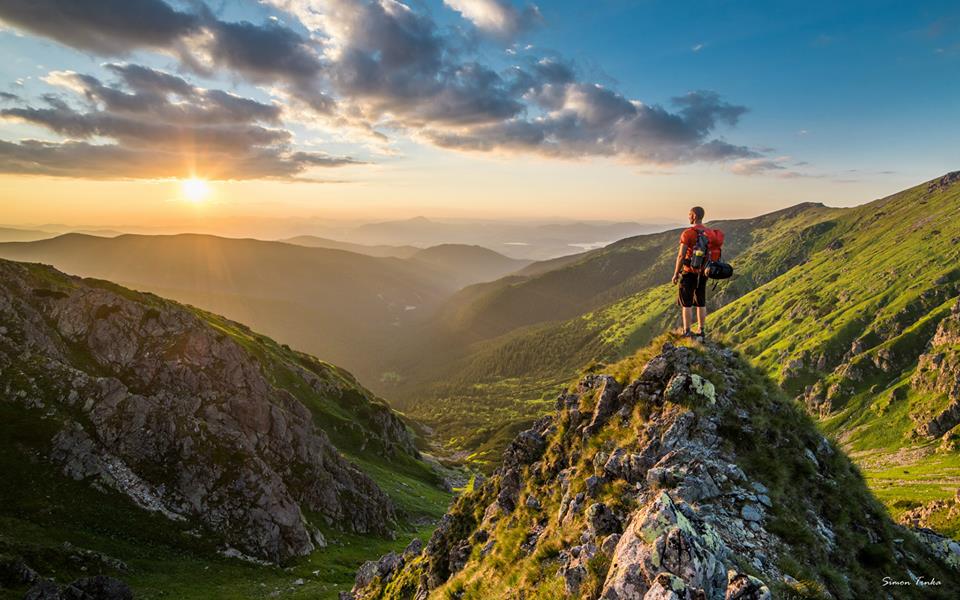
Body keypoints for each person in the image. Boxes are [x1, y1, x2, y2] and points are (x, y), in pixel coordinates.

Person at [671, 206, 712, 339]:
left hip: (689, 272)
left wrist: (676, 273)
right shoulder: (709, 233)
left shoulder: (688, 233)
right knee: (701, 301)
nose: (688, 217)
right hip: (703, 273)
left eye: (689, 214)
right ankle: (701, 330)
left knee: (686, 303)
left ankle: (687, 331)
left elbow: (681, 256)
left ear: (694, 215)